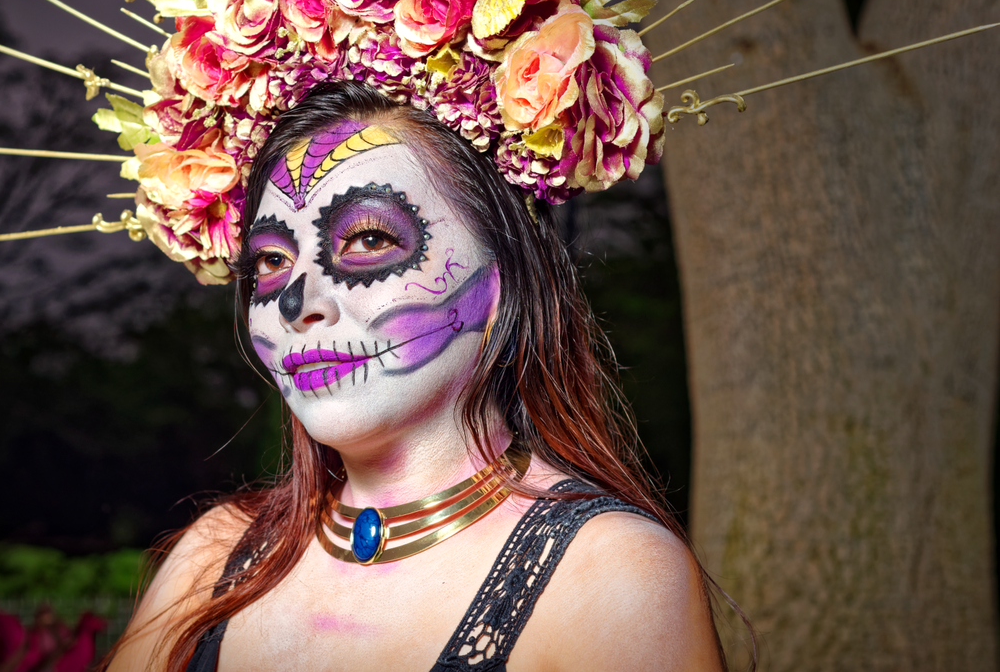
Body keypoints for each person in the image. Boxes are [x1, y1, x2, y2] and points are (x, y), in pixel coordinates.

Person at [105, 80, 728, 672]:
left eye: (370, 239)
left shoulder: (612, 575)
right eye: (271, 261)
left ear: (499, 280)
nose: (298, 303)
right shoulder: (214, 557)